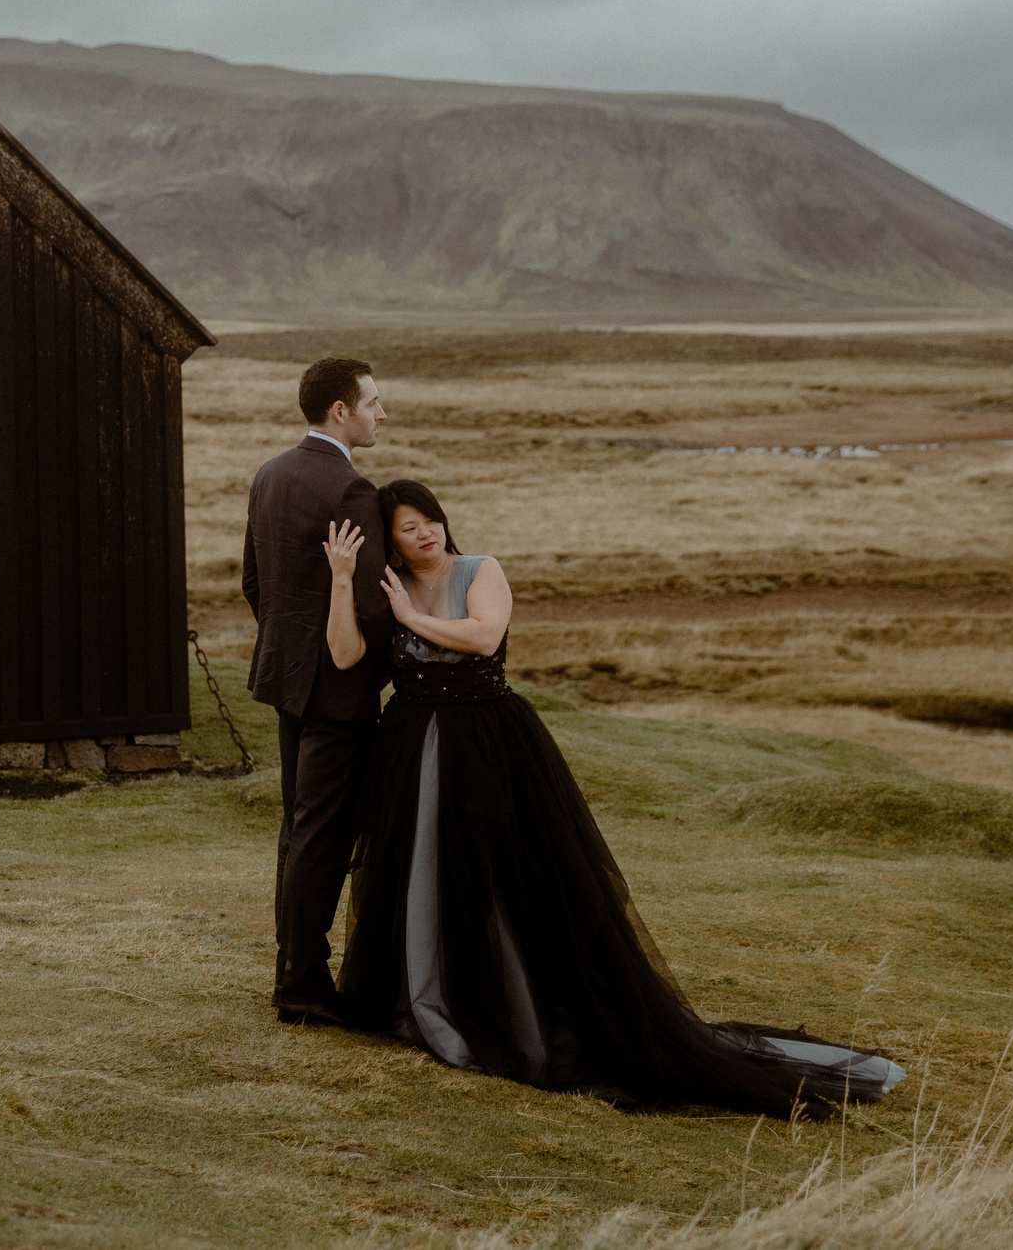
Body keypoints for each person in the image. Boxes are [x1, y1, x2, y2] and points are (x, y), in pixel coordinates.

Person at [323, 479, 903, 1114]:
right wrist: (342, 580)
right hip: (412, 747)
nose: (424, 532)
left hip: (489, 744)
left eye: (429, 519)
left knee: (504, 875)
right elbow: (346, 654)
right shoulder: (387, 584)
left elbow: (485, 638)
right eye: (408, 528)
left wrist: (412, 619)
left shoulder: (480, 570)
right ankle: (431, 995)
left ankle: (511, 1003)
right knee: (424, 871)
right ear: (392, 542)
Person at [241, 356, 392, 1025]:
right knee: (320, 838)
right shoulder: (353, 491)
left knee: (296, 832)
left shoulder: (269, 475)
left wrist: (291, 651)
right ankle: (302, 988)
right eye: (373, 402)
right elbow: (373, 609)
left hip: (286, 679)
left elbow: (255, 582)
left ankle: (292, 973)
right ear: (342, 410)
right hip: (337, 692)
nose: (381, 412)